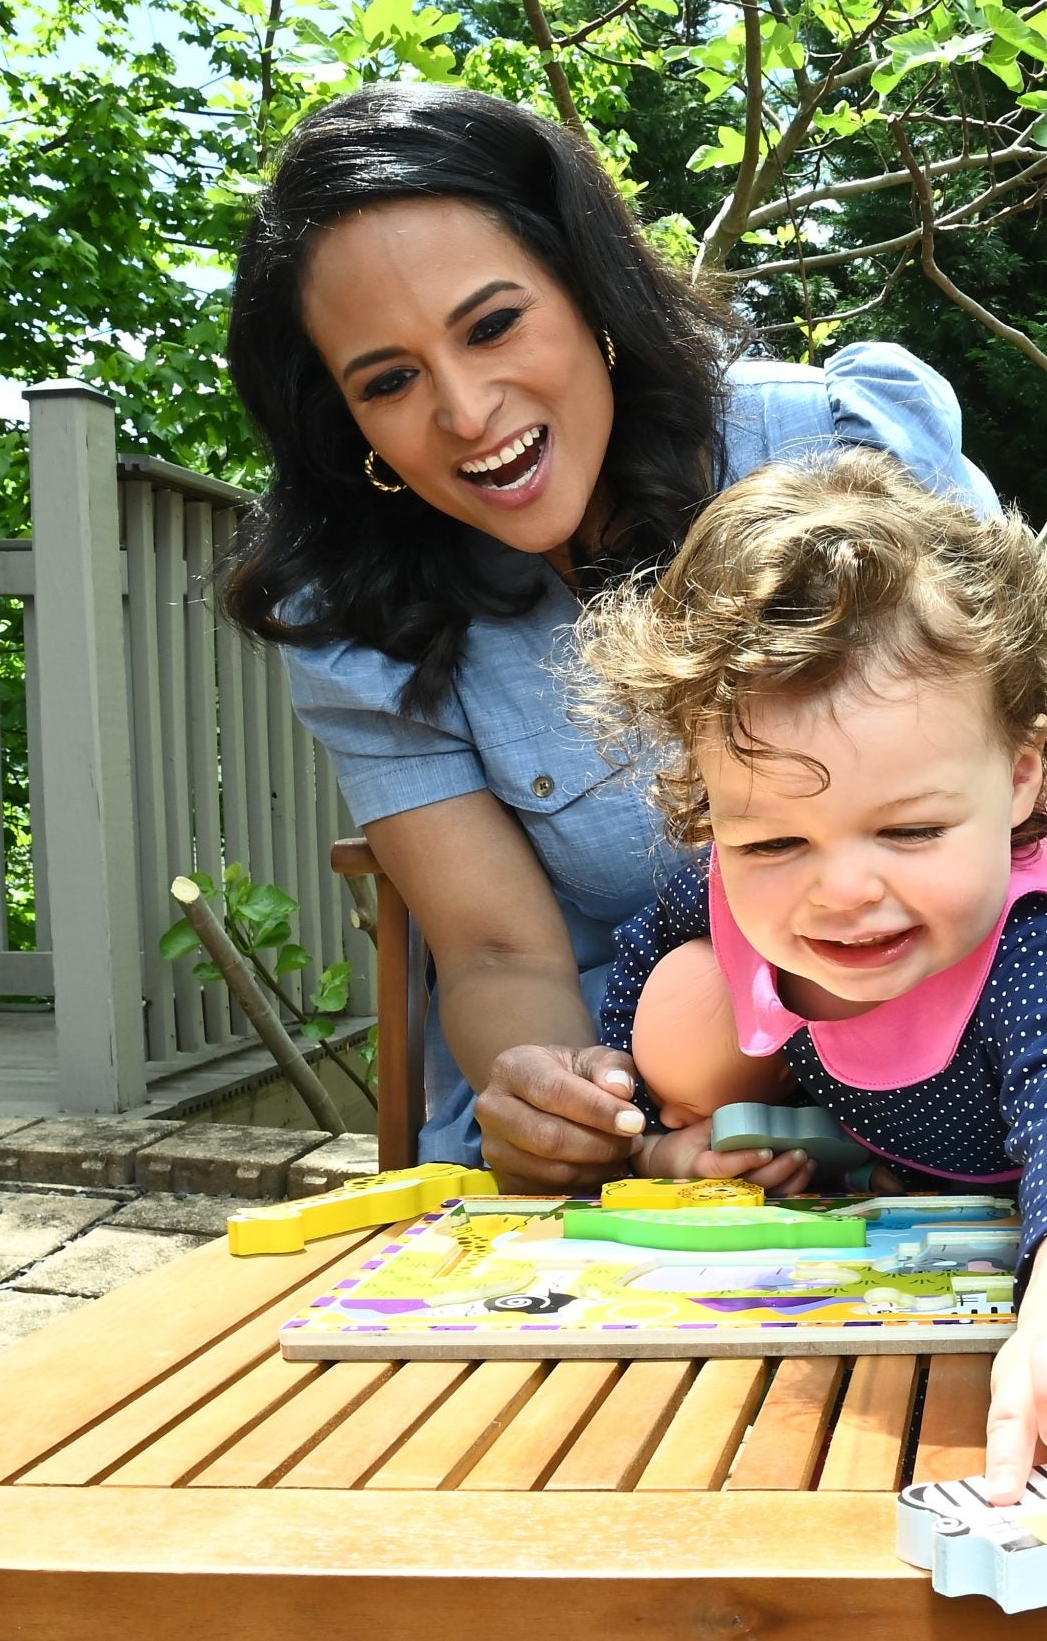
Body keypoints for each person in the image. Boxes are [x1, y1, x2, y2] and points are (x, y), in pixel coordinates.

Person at [220, 84, 995, 1188]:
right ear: (345, 424)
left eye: (493, 325)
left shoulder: (831, 446)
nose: (467, 411)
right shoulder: (363, 618)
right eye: (388, 380)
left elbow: (1021, 779)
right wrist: (564, 1099)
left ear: (589, 293)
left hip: (939, 1088)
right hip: (647, 1136)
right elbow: (497, 951)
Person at [572, 450, 1047, 1498]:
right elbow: (642, 963)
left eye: (910, 828)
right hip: (893, 1167)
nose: (841, 888)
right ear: (710, 803)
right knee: (684, 998)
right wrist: (649, 1135)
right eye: (776, 841)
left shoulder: (1039, 958)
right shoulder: (729, 886)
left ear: (1018, 776)